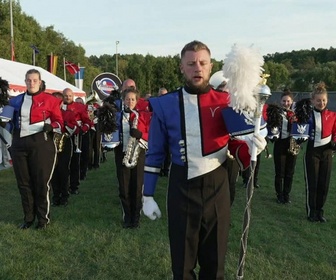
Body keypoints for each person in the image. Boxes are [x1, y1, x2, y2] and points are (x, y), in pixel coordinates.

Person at [142, 40, 266, 279]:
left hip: (217, 186)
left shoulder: (226, 102)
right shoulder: (164, 104)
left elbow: (235, 145)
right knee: (182, 264)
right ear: (181, 67)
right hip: (181, 186)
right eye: (191, 63)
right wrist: (147, 194)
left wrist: (252, 148)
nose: (197, 68)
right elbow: (155, 153)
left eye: (202, 63)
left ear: (210, 66)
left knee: (215, 263)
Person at [9, 69, 63, 229]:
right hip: (19, 144)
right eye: (28, 80)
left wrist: (51, 126)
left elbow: (60, 123)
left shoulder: (51, 100)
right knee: (24, 183)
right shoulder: (15, 100)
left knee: (41, 183)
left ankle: (43, 219)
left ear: (40, 82)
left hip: (41, 144)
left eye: (34, 80)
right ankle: (28, 218)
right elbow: (10, 122)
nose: (31, 83)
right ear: (25, 81)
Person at [114, 88, 150, 229]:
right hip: (122, 153)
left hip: (138, 154)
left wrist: (141, 134)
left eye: (132, 99)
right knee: (124, 187)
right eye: (127, 99)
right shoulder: (117, 116)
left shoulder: (143, 116)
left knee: (136, 187)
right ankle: (127, 216)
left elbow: (150, 134)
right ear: (123, 100)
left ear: (137, 101)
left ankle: (135, 218)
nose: (130, 102)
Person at [304, 82, 336, 222]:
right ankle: (312, 211)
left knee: (324, 183)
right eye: (318, 100)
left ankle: (320, 211)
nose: (321, 103)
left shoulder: (333, 115)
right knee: (313, 182)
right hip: (312, 152)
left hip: (327, 153)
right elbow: (300, 130)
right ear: (312, 101)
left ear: (327, 100)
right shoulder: (307, 115)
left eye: (323, 100)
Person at [62, 88, 92, 194]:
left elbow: (88, 121)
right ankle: (63, 186)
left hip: (75, 136)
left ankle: (74, 186)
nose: (68, 97)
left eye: (70, 95)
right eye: (66, 95)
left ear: (73, 96)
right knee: (63, 163)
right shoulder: (59, 106)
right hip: (62, 136)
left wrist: (83, 130)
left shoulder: (79, 107)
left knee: (75, 162)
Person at [271, 89, 298, 204]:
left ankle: (287, 194)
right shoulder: (276, 112)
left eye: (288, 101)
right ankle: (279, 195)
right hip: (280, 143)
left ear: (292, 101)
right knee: (280, 171)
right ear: (280, 101)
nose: (286, 103)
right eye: (284, 101)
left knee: (290, 172)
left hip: (292, 143)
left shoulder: (297, 113)